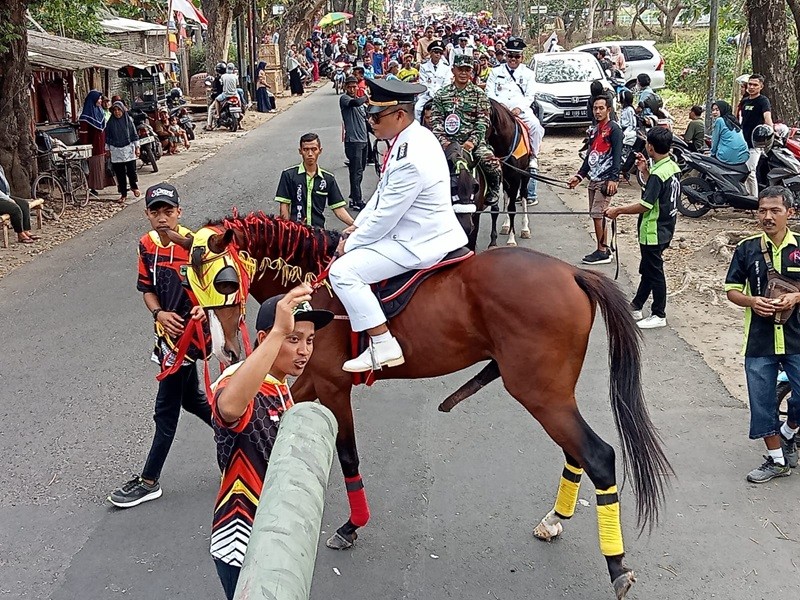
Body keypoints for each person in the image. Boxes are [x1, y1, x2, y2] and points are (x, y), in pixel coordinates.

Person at [328, 79, 468, 372]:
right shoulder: (408, 140)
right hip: (414, 229)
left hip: (419, 241)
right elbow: (380, 196)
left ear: (399, 116)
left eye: (376, 116)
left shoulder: (410, 157)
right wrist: (355, 226)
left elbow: (385, 217)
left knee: (343, 272)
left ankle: (382, 343)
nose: (370, 121)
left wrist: (348, 245)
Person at [209, 286, 333, 599]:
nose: (304, 350)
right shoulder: (240, 383)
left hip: (277, 534)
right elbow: (228, 408)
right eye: (294, 339)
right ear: (266, 339)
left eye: (309, 340)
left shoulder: (280, 384)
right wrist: (280, 329)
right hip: (241, 539)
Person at [108, 183, 212, 508]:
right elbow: (147, 289)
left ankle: (149, 480)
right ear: (147, 215)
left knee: (165, 411)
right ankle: (240, 435)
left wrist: (202, 308)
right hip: (166, 337)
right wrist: (159, 313)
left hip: (191, 340)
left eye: (169, 211)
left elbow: (214, 290)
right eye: (156, 212)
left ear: (179, 212)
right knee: (193, 401)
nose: (162, 218)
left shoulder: (196, 245)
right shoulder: (145, 245)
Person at [725, 186, 800, 483]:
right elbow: (731, 289)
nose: (767, 217)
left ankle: (789, 431)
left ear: (790, 213)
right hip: (759, 340)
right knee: (762, 402)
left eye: (774, 211)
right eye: (762, 210)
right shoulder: (746, 248)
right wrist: (752, 301)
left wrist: (795, 298)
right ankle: (777, 460)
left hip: (796, 337)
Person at [605, 127, 680, 329]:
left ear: (650, 147)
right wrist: (645, 171)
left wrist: (618, 210)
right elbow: (657, 193)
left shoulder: (658, 174)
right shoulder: (671, 167)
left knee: (654, 271)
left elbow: (646, 205)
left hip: (653, 230)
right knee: (648, 268)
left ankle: (659, 313)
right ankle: (637, 305)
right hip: (666, 227)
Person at [430, 54, 502, 206]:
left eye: (467, 70)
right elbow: (435, 120)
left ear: (472, 72)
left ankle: (492, 192)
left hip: (473, 144)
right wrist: (444, 142)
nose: (463, 73)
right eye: (460, 69)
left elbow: (483, 121)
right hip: (448, 144)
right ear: (453, 70)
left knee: (492, 164)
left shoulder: (479, 95)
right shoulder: (441, 95)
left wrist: (472, 141)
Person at [568, 96, 622, 265]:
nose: (598, 111)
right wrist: (579, 176)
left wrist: (614, 178)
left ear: (609, 110)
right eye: (595, 108)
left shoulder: (614, 130)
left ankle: (602, 251)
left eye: (601, 108)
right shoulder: (594, 130)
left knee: (598, 214)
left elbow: (617, 155)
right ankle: (603, 246)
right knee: (596, 215)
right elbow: (590, 155)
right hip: (594, 178)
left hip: (606, 180)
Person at [275, 132, 353, 228]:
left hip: (318, 233)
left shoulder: (328, 179)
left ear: (320, 151)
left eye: (314, 149)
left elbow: (337, 207)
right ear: (300, 151)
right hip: (297, 232)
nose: (310, 154)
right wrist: (287, 231)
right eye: (306, 150)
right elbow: (284, 206)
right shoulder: (289, 175)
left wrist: (355, 225)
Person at [485, 38, 540, 143]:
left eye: (517, 56)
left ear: (522, 58)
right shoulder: (495, 72)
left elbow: (530, 96)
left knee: (536, 127)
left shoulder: (529, 74)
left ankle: (534, 156)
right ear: (506, 56)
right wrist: (500, 106)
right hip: (498, 112)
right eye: (510, 56)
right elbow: (489, 92)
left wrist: (519, 108)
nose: (513, 59)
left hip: (521, 112)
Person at [740, 74, 773, 197]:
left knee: (750, 171)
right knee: (741, 171)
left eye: (755, 85)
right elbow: (741, 120)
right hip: (743, 142)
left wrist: (771, 133)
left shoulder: (763, 101)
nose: (752, 87)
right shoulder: (744, 101)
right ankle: (743, 198)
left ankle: (753, 200)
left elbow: (767, 118)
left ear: (761, 87)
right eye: (750, 84)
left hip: (756, 144)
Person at [340, 76, 369, 211]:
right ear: (346, 87)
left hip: (363, 140)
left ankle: (354, 196)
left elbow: (366, 122)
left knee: (360, 171)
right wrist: (366, 97)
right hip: (353, 141)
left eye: (354, 86)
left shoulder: (361, 105)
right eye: (349, 86)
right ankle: (357, 200)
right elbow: (355, 103)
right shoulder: (345, 99)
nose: (352, 89)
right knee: (356, 172)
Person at [105, 101, 141, 204]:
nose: (117, 112)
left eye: (119, 110)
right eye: (115, 110)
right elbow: (107, 137)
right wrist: (107, 149)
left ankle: (134, 187)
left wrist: (137, 148)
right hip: (116, 150)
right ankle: (123, 194)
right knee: (120, 174)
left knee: (131, 172)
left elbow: (134, 134)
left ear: (122, 110)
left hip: (128, 149)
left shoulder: (128, 121)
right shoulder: (110, 123)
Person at [78, 90, 112, 195]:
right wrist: (86, 148)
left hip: (102, 144)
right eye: (99, 99)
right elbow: (84, 134)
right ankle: (92, 187)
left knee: (103, 165)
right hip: (93, 147)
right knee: (94, 167)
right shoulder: (85, 117)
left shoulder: (100, 112)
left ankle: (103, 184)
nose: (101, 101)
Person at [414, 40, 452, 122]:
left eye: (440, 53)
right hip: (427, 95)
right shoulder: (424, 67)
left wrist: (439, 94)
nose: (437, 55)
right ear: (430, 53)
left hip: (442, 95)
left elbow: (447, 83)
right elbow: (423, 83)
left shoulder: (446, 68)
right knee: (417, 109)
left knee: (450, 110)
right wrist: (431, 93)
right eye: (435, 52)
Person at [0, 164, 38, 244]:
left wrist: (8, 197)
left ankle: (26, 230)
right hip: (2, 198)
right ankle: (20, 234)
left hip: (3, 196)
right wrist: (8, 199)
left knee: (23, 204)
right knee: (14, 209)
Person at [710, 100, 749, 166]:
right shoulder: (733, 119)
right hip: (744, 156)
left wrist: (712, 154)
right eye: (713, 110)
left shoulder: (719, 121)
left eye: (717, 110)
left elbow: (715, 140)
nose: (714, 112)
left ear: (723, 109)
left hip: (727, 157)